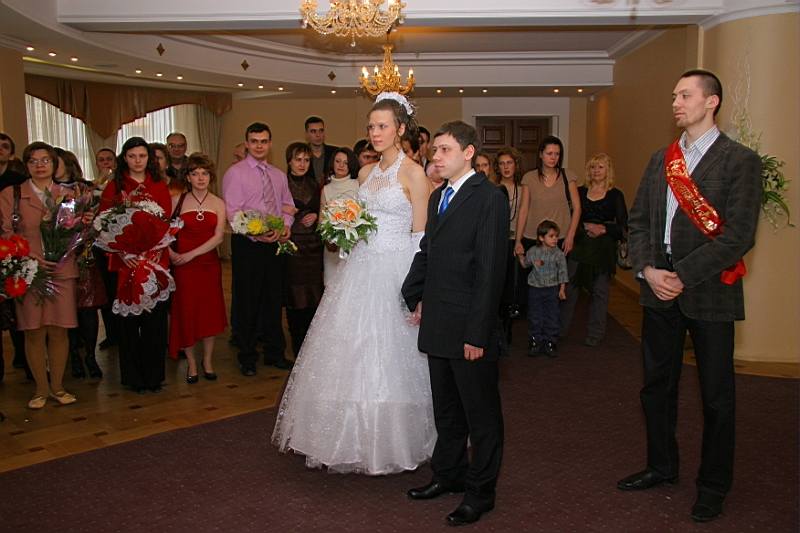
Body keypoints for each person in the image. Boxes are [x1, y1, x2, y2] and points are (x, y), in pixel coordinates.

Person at [617, 69, 762, 524]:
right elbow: (638, 221)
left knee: (716, 396)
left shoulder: (739, 161)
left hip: (708, 290)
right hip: (658, 286)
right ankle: (661, 466)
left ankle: (713, 485)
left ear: (711, 101)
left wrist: (682, 275)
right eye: (674, 96)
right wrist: (647, 269)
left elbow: (738, 235)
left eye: (685, 95)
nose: (676, 103)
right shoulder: (662, 159)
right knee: (656, 387)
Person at [273, 92, 435, 475]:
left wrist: (418, 290)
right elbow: (360, 224)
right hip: (360, 266)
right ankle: (347, 437)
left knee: (394, 356)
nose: (375, 133)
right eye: (371, 126)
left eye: (382, 126)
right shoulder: (365, 173)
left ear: (400, 129)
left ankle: (397, 438)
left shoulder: (414, 174)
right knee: (350, 350)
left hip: (396, 269)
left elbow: (421, 238)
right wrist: (343, 232)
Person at [402, 120, 508, 526]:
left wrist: (478, 333)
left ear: (468, 152)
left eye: (445, 149)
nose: (436, 157)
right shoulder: (439, 196)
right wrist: (414, 294)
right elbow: (428, 252)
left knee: (481, 418)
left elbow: (491, 272)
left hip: (469, 327)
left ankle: (480, 492)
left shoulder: (489, 197)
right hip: (439, 320)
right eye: (435, 150)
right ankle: (448, 475)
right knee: (446, 411)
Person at [0, 142, 83, 408]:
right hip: (28, 271)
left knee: (59, 330)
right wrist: (32, 257)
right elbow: (6, 233)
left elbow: (76, 230)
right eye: (33, 161)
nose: (40, 166)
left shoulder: (69, 194)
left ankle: (58, 387)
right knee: (34, 331)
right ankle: (40, 389)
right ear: (26, 165)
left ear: (55, 164)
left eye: (45, 160)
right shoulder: (11, 194)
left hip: (62, 269)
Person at [100, 137, 172, 393]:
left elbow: (166, 222)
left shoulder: (159, 185)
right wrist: (122, 252)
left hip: (154, 262)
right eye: (132, 156)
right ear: (125, 159)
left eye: (142, 156)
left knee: (154, 322)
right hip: (125, 263)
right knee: (128, 324)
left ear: (149, 158)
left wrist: (155, 250)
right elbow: (103, 225)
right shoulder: (115, 187)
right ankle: (133, 377)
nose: (138, 161)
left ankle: (153, 376)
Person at [222, 122, 295, 375]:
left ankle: (275, 353)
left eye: (263, 141)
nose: (259, 146)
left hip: (274, 244)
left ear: (270, 143)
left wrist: (286, 227)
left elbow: (287, 205)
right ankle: (247, 357)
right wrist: (256, 234)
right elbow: (233, 213)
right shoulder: (235, 173)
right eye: (254, 141)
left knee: (273, 301)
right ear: (247, 144)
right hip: (248, 245)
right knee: (248, 302)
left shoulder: (278, 175)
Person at [168, 153, 228, 382]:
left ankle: (208, 361)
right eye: (195, 173)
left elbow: (218, 237)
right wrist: (172, 254)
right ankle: (192, 363)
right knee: (187, 312)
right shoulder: (177, 201)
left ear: (210, 176)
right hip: (183, 267)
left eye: (204, 173)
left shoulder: (218, 203)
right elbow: (164, 233)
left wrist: (190, 255)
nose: (201, 178)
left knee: (208, 313)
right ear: (188, 176)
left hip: (208, 265)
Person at [559, 153, 628, 346]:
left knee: (600, 291)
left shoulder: (616, 195)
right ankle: (561, 330)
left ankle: (595, 333)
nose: (596, 171)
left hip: (603, 249)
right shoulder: (579, 192)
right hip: (580, 245)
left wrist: (605, 229)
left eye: (600, 167)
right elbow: (569, 218)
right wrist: (587, 226)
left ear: (608, 171)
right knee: (570, 287)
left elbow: (624, 227)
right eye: (593, 167)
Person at [515, 135, 581, 327]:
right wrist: (518, 240)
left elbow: (577, 208)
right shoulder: (529, 178)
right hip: (533, 238)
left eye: (557, 154)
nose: (553, 157)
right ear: (541, 154)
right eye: (550, 153)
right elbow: (524, 209)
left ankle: (554, 327)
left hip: (559, 239)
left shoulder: (568, 176)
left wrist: (570, 236)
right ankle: (536, 326)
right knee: (534, 285)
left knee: (557, 285)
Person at [53, 148, 107, 380]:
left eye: (53, 161)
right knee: (67, 308)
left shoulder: (86, 189)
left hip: (85, 254)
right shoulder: (48, 191)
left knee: (88, 307)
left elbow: (99, 220)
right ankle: (74, 354)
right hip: (59, 258)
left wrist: (90, 226)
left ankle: (90, 356)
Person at [283, 142, 323, 357]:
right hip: (293, 246)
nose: (302, 164)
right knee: (295, 299)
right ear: (289, 161)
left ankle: (310, 346)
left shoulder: (313, 183)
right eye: (298, 159)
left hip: (313, 247)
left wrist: (316, 215)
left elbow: (321, 207)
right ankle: (297, 345)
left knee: (313, 298)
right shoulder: (282, 183)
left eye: (306, 160)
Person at [492, 147, 529, 336]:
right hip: (496, 241)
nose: (506, 167)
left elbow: (523, 213)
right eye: (502, 163)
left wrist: (518, 240)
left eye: (509, 163)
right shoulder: (493, 188)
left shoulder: (523, 189)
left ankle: (507, 325)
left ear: (516, 165)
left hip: (515, 240)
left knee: (512, 285)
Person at [0, 133, 28, 379]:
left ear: (11, 154)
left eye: (4, 146)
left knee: (18, 310)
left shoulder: (19, 183)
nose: (0, 149)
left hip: (14, 251)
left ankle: (25, 359)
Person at [520, 220, 568, 357]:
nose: (555, 239)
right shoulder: (533, 252)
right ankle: (535, 340)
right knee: (535, 315)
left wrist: (562, 289)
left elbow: (563, 273)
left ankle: (550, 341)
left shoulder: (559, 255)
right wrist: (519, 254)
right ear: (541, 237)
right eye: (551, 236)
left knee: (552, 316)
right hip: (535, 289)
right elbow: (525, 264)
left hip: (552, 289)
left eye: (556, 236)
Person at [320, 147, 360, 285]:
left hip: (355, 247)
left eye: (346, 162)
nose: (341, 165)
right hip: (333, 248)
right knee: (331, 286)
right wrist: (328, 239)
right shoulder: (326, 189)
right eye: (338, 161)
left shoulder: (358, 184)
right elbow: (321, 219)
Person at [94, 147, 120, 351]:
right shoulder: (90, 188)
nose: (106, 163)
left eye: (109, 159)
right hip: (99, 246)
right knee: (106, 293)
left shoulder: (120, 186)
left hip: (120, 247)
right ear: (96, 164)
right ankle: (112, 333)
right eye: (102, 160)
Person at [304, 116, 338, 184]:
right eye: (313, 131)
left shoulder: (335, 153)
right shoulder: (301, 155)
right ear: (306, 134)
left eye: (321, 131)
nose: (318, 135)